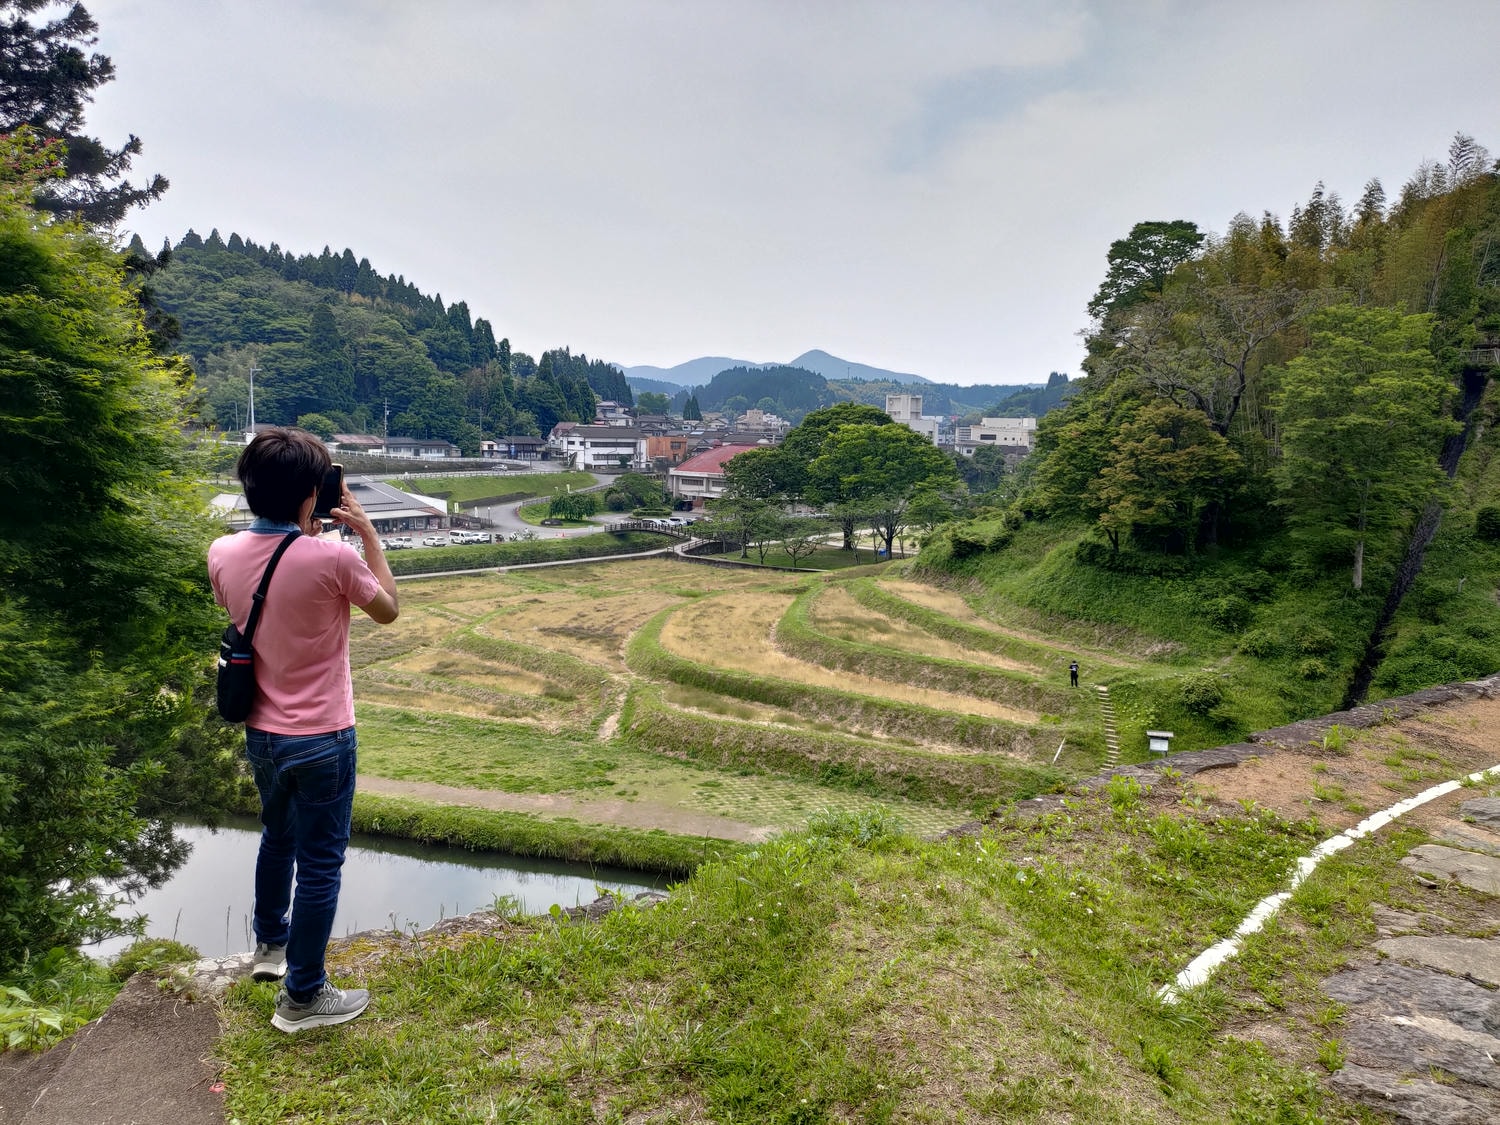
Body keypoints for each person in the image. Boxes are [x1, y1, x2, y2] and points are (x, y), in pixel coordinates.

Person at [208, 428, 399, 1033]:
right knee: (320, 863)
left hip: (261, 732)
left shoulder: (221, 552)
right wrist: (367, 535)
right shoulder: (333, 558)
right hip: (323, 735)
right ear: (313, 494)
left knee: (277, 836)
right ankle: (304, 997)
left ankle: (270, 947)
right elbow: (388, 609)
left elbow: (255, 605)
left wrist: (300, 534)